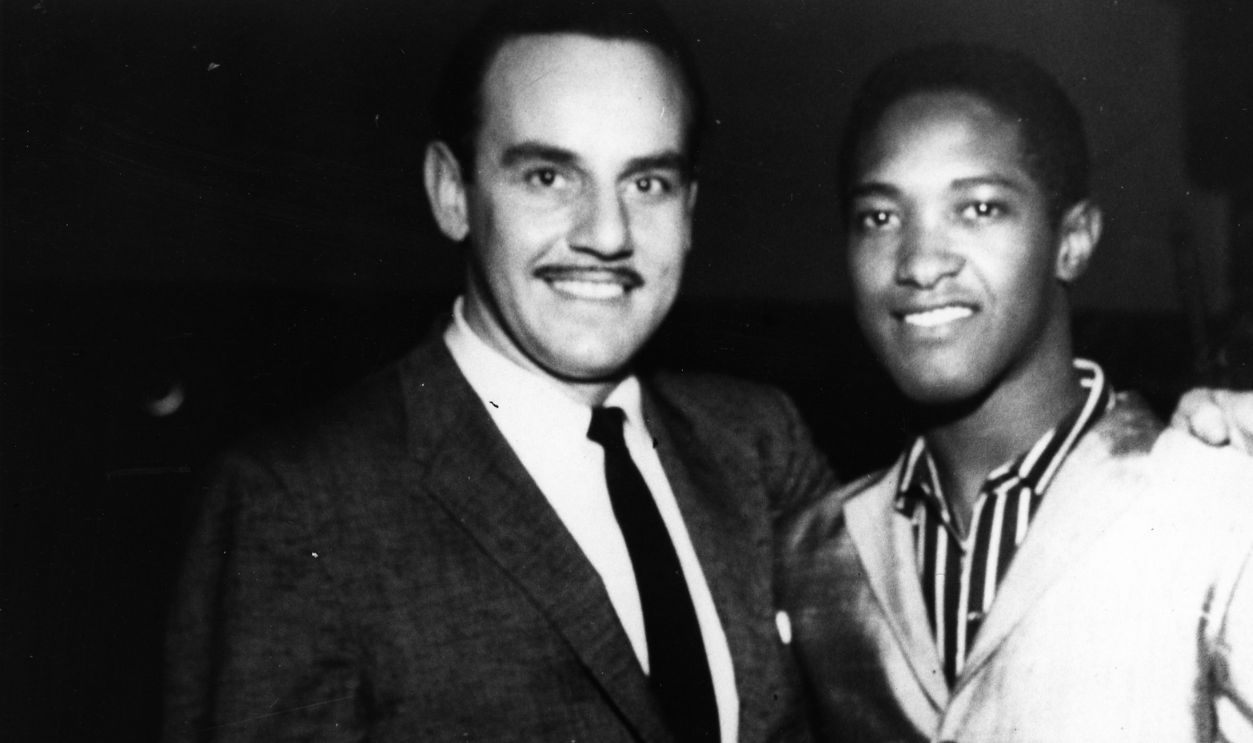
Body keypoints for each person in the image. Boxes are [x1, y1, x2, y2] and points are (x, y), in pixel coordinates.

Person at [163, 1, 835, 741]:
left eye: (646, 183)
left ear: (690, 208)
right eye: (548, 176)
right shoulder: (295, 502)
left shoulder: (755, 443)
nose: (607, 234)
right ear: (453, 193)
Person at [779, 42, 1253, 742]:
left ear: (1073, 240)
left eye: (977, 208)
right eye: (880, 217)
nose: (919, 262)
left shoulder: (1215, 506)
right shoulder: (811, 554)